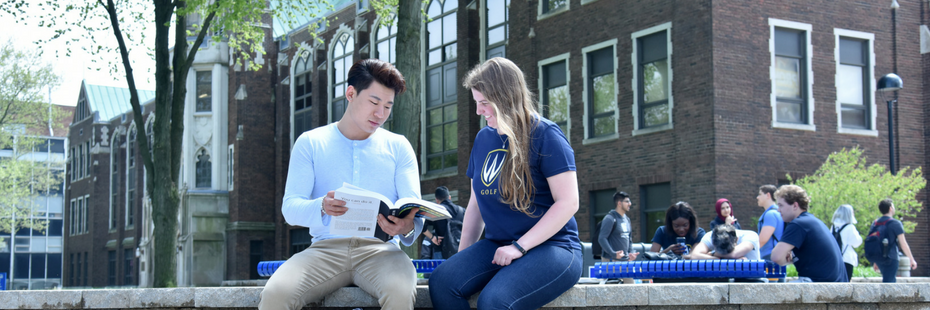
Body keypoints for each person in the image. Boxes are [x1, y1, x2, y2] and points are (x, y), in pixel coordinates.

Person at [259, 59, 423, 310]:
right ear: (350, 93)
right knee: (276, 294)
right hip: (324, 250)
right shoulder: (311, 142)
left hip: (382, 251)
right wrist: (322, 207)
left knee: (400, 292)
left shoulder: (399, 146)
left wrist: (406, 226)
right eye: (374, 102)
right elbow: (290, 209)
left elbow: (413, 210)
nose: (380, 114)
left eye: (388, 106)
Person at [428, 58, 582, 310]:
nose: (478, 111)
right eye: (477, 102)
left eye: (484, 103)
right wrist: (462, 257)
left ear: (506, 97)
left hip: (555, 247)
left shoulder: (546, 134)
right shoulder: (483, 139)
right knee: (442, 281)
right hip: (498, 244)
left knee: (494, 301)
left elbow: (569, 202)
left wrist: (519, 247)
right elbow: (476, 205)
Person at [771, 185, 847, 282]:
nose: (778, 210)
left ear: (795, 205)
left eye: (781, 205)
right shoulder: (813, 221)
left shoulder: (798, 224)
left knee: (778, 293)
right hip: (836, 284)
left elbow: (776, 257)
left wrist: (787, 260)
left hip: (818, 284)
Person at [870, 198, 917, 283]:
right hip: (892, 257)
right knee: (890, 283)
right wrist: (911, 259)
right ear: (890, 208)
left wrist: (875, 261)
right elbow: (903, 244)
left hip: (880, 258)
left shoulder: (875, 223)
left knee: (887, 280)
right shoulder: (895, 223)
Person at [421, 186, 465, 259]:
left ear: (437, 200)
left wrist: (432, 237)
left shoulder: (435, 211)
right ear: (449, 197)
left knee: (441, 270)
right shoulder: (462, 211)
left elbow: (421, 224)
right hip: (460, 250)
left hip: (440, 251)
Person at [597, 191, 638, 262]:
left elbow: (629, 239)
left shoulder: (627, 219)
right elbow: (602, 238)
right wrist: (613, 253)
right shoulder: (610, 218)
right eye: (627, 202)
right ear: (619, 203)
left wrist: (631, 253)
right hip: (611, 261)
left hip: (625, 261)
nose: (630, 204)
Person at [688, 223, 760, 260]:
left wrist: (713, 254)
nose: (725, 255)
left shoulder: (751, 236)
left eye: (728, 252)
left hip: (753, 279)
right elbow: (694, 256)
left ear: (736, 240)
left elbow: (734, 254)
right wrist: (717, 258)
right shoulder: (710, 236)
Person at [831, 204, 862, 282]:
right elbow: (857, 243)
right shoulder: (850, 227)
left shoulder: (833, 227)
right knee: (846, 283)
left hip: (835, 259)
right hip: (847, 259)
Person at [756, 185, 784, 260]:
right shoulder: (779, 211)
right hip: (778, 255)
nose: (757, 197)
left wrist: (749, 251)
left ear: (768, 195)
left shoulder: (770, 214)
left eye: (760, 194)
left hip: (769, 257)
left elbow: (762, 240)